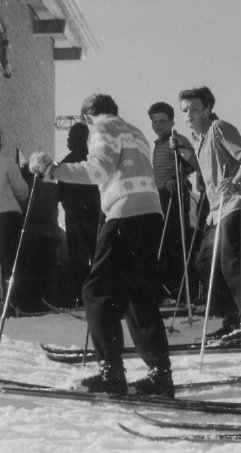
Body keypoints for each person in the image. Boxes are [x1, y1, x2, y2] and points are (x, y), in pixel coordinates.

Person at [28, 94, 174, 397]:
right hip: (150, 214)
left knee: (96, 292)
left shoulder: (102, 127)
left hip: (125, 214)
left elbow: (99, 170)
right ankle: (160, 375)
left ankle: (112, 373)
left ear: (87, 117)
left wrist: (54, 170)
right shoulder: (135, 131)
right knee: (138, 295)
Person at [178, 86, 241, 346]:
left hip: (238, 202)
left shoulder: (218, 128)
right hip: (217, 211)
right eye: (184, 110)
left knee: (233, 263)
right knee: (205, 262)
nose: (189, 114)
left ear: (207, 109)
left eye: (194, 109)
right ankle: (232, 319)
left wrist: (237, 181)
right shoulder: (199, 139)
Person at [147, 102, 199, 302]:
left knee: (176, 242)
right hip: (160, 196)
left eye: (162, 121)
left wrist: (176, 176)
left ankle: (183, 290)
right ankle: (167, 290)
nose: (158, 125)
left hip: (174, 194)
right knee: (163, 242)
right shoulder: (158, 144)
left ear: (171, 121)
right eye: (155, 122)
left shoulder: (177, 139)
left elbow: (193, 163)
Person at [57, 123, 101, 307]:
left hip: (75, 216)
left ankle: (81, 297)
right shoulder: (92, 160)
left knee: (77, 259)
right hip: (93, 214)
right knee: (96, 255)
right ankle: (97, 295)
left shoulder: (66, 162)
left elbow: (59, 193)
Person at [0, 146, 28, 299]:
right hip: (8, 217)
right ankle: (12, 302)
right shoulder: (7, 163)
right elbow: (22, 191)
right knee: (10, 260)